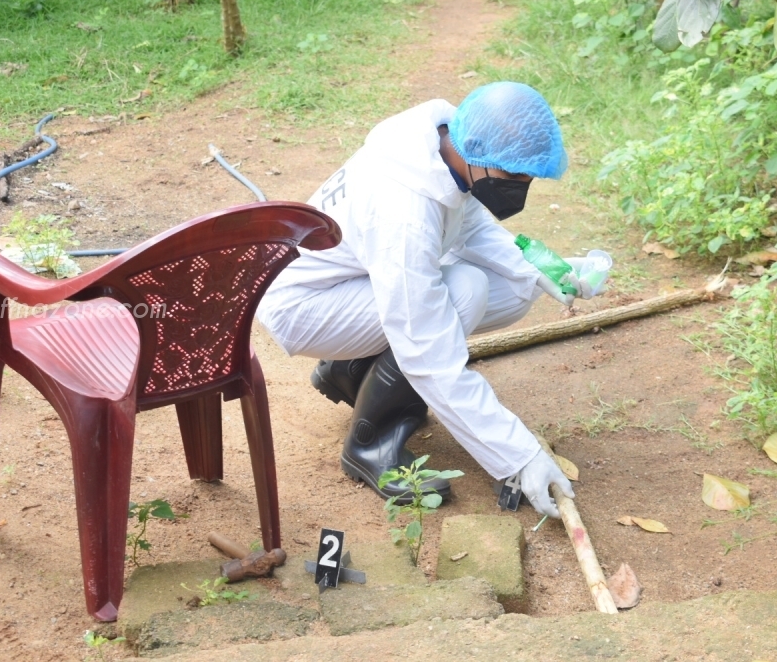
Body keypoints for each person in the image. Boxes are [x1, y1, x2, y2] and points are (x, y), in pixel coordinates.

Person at [256, 81, 601, 518]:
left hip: (351, 282)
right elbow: (428, 350)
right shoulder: (404, 212)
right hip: (306, 308)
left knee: (515, 288)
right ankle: (370, 442)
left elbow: (473, 230)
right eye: (514, 176)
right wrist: (520, 455)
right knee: (462, 294)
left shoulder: (446, 148)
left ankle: (352, 371)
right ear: (476, 154)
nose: (521, 186)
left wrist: (546, 269)